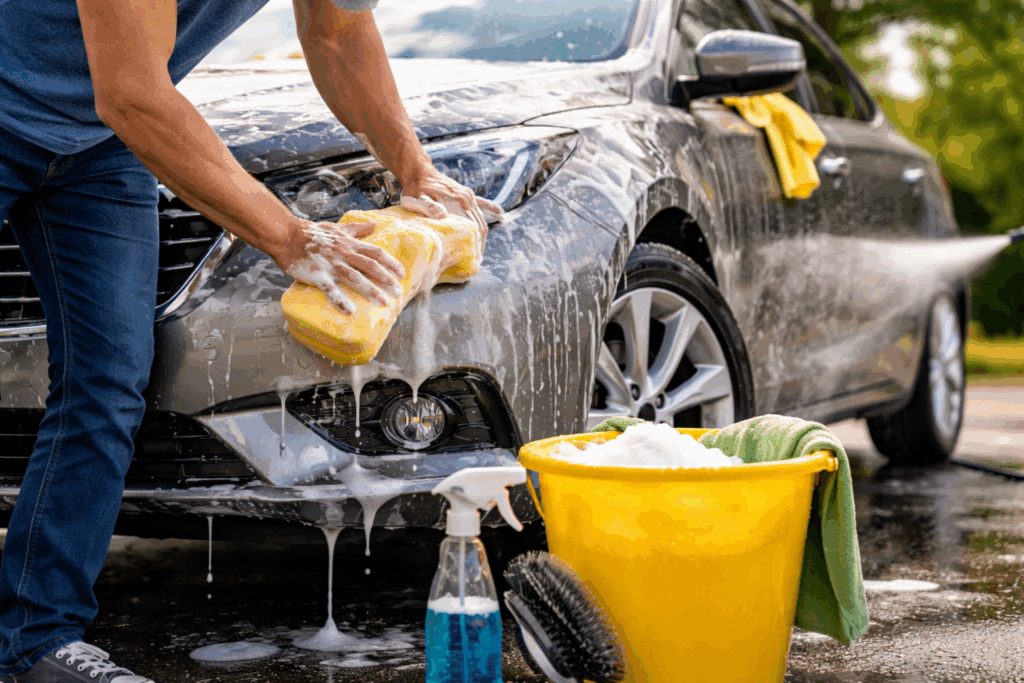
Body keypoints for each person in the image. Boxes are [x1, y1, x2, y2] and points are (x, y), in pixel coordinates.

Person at [0, 1, 497, 680]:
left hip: (96, 146)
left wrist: (413, 168)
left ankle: (36, 639)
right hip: (58, 104)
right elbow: (134, 93)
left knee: (108, 380)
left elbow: (339, 29)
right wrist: (291, 237)